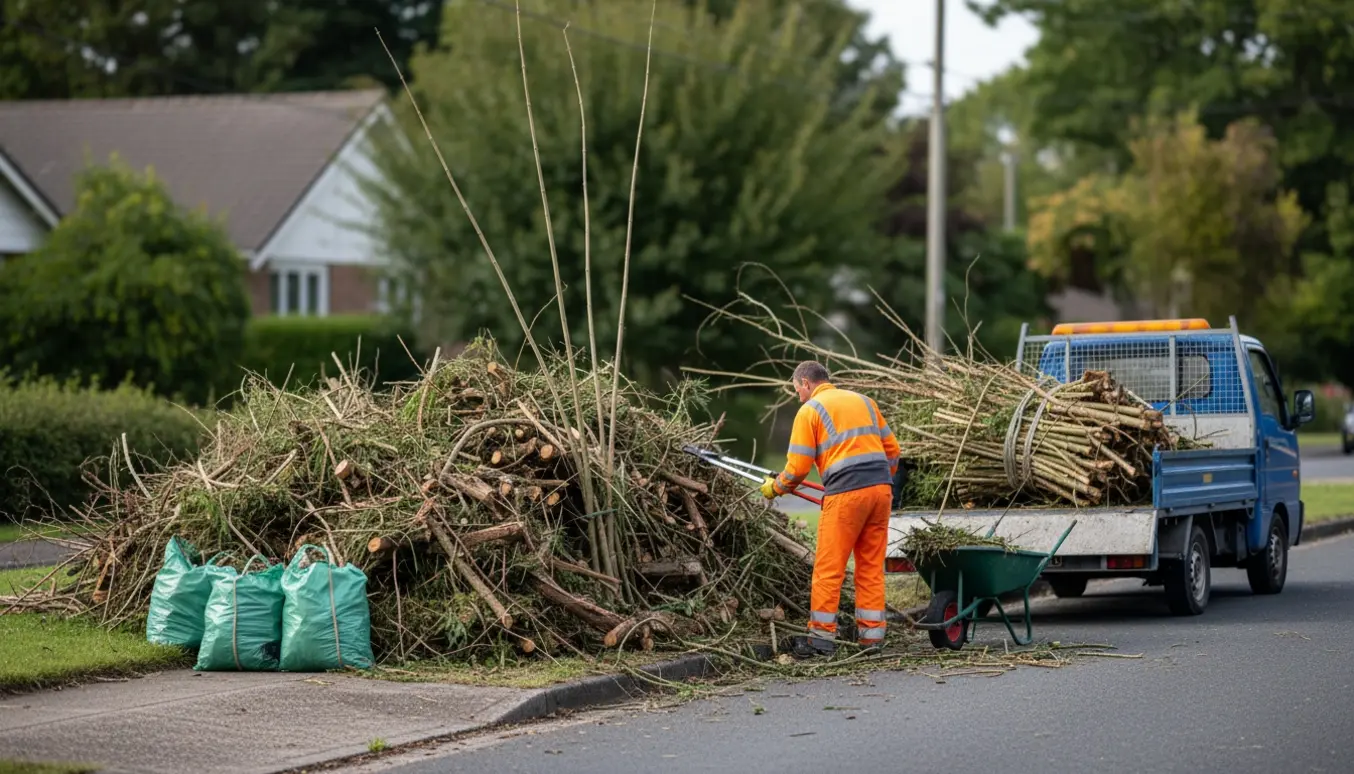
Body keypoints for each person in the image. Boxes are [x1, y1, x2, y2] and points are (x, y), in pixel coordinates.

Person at [760, 360, 901, 658]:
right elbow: (893, 450)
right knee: (871, 567)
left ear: (807, 384)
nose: (798, 395)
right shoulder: (864, 401)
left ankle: (821, 640)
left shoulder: (810, 410)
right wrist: (879, 480)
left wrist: (775, 488)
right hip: (881, 491)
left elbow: (797, 468)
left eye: (797, 389)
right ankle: (871, 639)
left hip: (846, 497)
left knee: (828, 568)